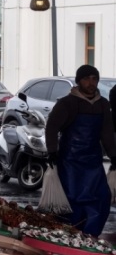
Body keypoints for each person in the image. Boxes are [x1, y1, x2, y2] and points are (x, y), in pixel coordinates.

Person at [46, 64, 116, 237]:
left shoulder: (103, 104)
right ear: (78, 81)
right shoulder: (67, 103)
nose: (91, 83)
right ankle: (68, 236)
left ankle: (89, 236)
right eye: (86, 79)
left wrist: (113, 155)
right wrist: (52, 151)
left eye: (94, 79)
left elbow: (107, 132)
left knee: (101, 198)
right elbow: (52, 127)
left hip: (93, 161)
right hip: (70, 161)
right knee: (73, 200)